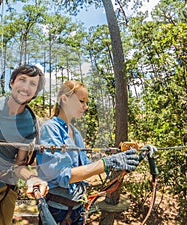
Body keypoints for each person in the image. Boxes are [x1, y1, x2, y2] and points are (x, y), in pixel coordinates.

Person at [36, 80, 140, 225]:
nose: (85, 107)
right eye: (81, 101)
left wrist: (115, 162)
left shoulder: (75, 132)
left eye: (86, 102)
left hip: (77, 209)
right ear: (64, 99)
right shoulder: (50, 129)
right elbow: (63, 175)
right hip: (57, 211)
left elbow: (86, 168)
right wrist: (106, 163)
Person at [0, 65, 48, 225]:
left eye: (33, 84)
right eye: (22, 80)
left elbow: (19, 164)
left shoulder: (30, 124)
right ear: (12, 82)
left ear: (35, 92)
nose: (26, 87)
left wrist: (32, 178)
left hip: (7, 189)